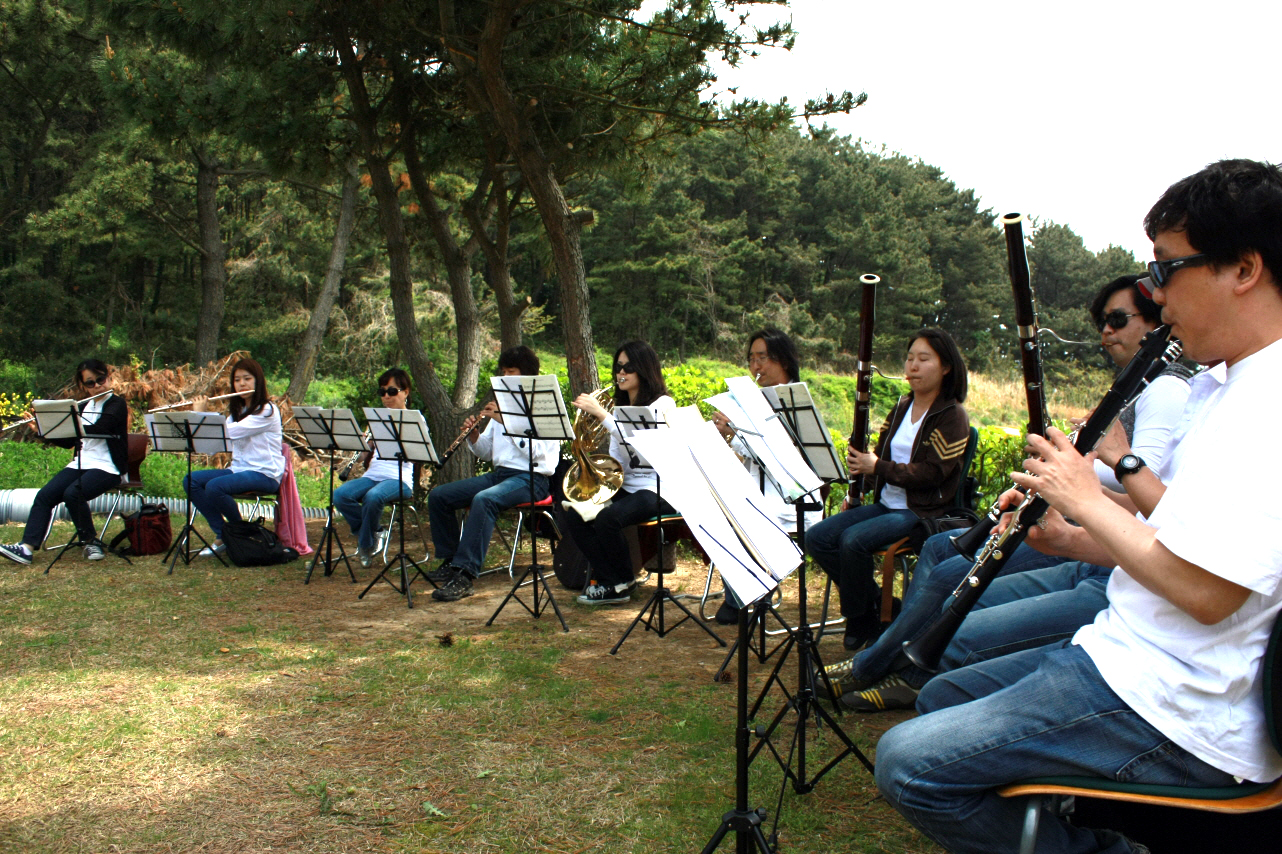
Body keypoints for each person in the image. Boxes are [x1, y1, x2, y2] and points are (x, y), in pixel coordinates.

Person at [875, 159, 1282, 854]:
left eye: (1166, 269)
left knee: (906, 764)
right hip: (1129, 653)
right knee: (942, 695)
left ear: (1243, 268)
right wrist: (1071, 536)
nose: (1158, 296)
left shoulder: (1267, 405)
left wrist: (1087, 497)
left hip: (1174, 704)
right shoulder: (1226, 386)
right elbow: (1176, 539)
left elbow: (1211, 594)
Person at [831, 274, 1194, 710]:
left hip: (1098, 536)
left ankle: (887, 667)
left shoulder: (1165, 389)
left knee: (945, 574)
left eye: (1117, 320)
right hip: (1082, 524)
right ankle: (898, 658)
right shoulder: (1138, 387)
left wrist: (1071, 469)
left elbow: (1139, 483)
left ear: (1154, 324)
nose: (1106, 332)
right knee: (938, 552)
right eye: (1102, 322)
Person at [805, 328, 971, 652]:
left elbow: (933, 474)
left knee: (853, 540)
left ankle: (859, 619)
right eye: (910, 358)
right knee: (818, 537)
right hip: (886, 504)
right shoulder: (901, 407)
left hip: (921, 511)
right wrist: (860, 486)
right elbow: (880, 456)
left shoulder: (952, 416)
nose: (913, 366)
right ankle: (880, 606)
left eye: (924, 359)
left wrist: (877, 466)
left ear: (946, 367)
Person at [427, 346, 560, 602]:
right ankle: (450, 561)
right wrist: (474, 436)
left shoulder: (543, 408)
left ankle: (465, 575)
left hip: (532, 479)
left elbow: (540, 456)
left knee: (485, 499)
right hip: (501, 476)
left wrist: (507, 423)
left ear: (527, 375)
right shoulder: (502, 406)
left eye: (511, 372)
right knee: (439, 496)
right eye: (503, 372)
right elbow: (487, 452)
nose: (505, 377)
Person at [709, 327, 821, 623]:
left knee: (747, 516)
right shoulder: (751, 399)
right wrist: (725, 435)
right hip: (757, 489)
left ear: (783, 360)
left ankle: (751, 596)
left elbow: (781, 455)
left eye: (763, 358)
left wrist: (736, 434)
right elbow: (746, 456)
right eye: (751, 359)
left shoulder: (796, 400)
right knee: (718, 510)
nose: (756, 366)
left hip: (790, 497)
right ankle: (741, 594)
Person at [563, 341, 678, 605]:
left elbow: (648, 450)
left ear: (645, 369)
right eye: (618, 367)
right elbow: (619, 459)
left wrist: (602, 415)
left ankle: (623, 582)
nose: (621, 373)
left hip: (659, 487)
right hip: (629, 485)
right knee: (576, 513)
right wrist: (592, 469)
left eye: (629, 367)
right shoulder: (619, 408)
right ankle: (611, 580)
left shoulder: (663, 404)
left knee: (608, 519)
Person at [0, 359, 128, 564]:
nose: (97, 386)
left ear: (109, 378)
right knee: (45, 496)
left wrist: (72, 425)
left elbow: (103, 427)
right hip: (82, 463)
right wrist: (44, 431)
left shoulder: (117, 404)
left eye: (100, 379)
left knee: (73, 493)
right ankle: (26, 548)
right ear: (83, 386)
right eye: (90, 382)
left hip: (108, 466)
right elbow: (70, 441)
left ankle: (90, 542)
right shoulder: (83, 406)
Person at [183, 358, 284, 557]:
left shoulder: (267, 410)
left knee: (215, 487)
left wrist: (201, 415)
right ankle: (224, 534)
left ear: (258, 381)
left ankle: (239, 534)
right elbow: (215, 445)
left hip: (265, 473)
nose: (242, 384)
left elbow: (227, 433)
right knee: (191, 480)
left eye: (247, 378)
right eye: (237, 380)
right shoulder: (236, 413)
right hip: (239, 469)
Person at [332, 368, 415, 568]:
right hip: (373, 475)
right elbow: (362, 458)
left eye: (392, 391)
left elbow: (416, 455)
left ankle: (366, 545)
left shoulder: (415, 420)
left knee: (373, 496)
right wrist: (361, 445)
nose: (386, 397)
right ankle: (374, 532)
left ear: (405, 392)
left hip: (399, 479)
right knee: (340, 495)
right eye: (382, 392)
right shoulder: (377, 419)